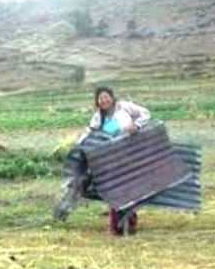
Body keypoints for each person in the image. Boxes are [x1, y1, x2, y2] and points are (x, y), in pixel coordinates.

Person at [57, 87, 152, 235]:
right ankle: (119, 226)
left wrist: (137, 125)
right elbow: (89, 133)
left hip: (129, 153)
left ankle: (127, 224)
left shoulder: (124, 107)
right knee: (115, 190)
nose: (104, 100)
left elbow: (145, 113)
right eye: (100, 98)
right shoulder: (98, 117)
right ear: (97, 102)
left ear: (112, 98)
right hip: (111, 158)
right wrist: (78, 147)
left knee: (124, 189)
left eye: (106, 97)